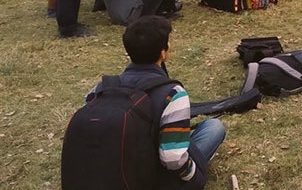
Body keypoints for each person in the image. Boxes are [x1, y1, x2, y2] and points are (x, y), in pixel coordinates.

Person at [74, 15, 225, 187]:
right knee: (214, 128)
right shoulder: (173, 94)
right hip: (150, 180)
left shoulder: (101, 88)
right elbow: (172, 159)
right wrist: (195, 176)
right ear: (163, 52)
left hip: (109, 173)